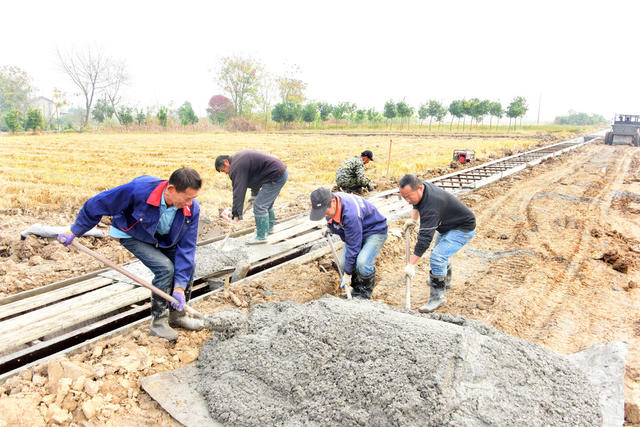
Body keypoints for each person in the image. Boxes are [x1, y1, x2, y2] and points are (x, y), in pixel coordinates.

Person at [57, 168, 203, 341]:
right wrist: (75, 230)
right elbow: (97, 204)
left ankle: (177, 316)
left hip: (162, 237)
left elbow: (186, 248)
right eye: (187, 198)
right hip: (133, 234)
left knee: (188, 267)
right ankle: (158, 323)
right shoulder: (139, 190)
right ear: (171, 189)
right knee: (165, 268)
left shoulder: (191, 209)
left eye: (193, 198)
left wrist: (179, 287)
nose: (190, 203)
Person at [399, 174, 476, 312]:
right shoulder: (423, 188)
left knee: (437, 256)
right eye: (403, 197)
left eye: (408, 196)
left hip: (462, 229)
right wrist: (413, 220)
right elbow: (416, 203)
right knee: (441, 255)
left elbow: (424, 240)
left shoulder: (431, 207)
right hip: (448, 225)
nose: (406, 200)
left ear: (420, 188)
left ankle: (437, 297)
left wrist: (411, 264)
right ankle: (443, 281)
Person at [309, 187, 387, 299]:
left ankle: (365, 295)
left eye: (325, 213)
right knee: (343, 264)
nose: (324, 216)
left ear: (333, 203)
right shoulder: (328, 199)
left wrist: (348, 274)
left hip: (374, 231)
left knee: (362, 263)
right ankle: (357, 290)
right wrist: (331, 227)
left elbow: (353, 246)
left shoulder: (351, 214)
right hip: (356, 231)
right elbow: (336, 220)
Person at [215, 150, 288, 244]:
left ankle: (261, 237)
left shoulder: (236, 166)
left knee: (260, 205)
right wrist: (254, 194)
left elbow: (239, 191)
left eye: (223, 170)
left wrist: (236, 214)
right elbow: (254, 176)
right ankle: (269, 229)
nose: (225, 173)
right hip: (276, 173)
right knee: (266, 203)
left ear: (226, 162)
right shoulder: (238, 160)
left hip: (276, 176)